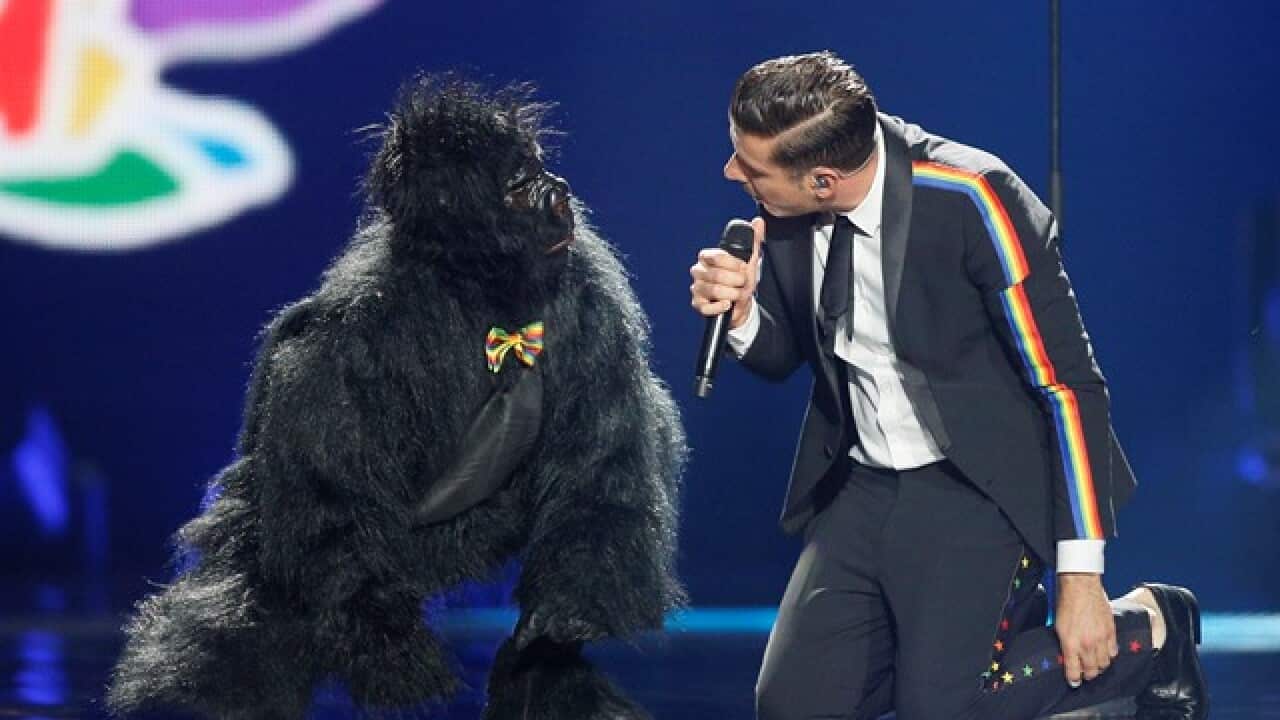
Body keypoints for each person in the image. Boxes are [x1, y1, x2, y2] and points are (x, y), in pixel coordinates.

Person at [688, 51, 1207, 720]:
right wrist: (741, 316)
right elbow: (788, 352)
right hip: (865, 483)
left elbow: (1067, 385)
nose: (731, 173)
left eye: (750, 167)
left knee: (946, 707)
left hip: (981, 485)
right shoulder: (785, 209)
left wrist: (1080, 574)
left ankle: (1153, 630)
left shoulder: (972, 198)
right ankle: (962, 652)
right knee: (793, 707)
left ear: (823, 180)